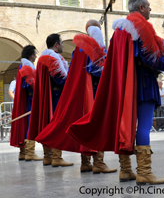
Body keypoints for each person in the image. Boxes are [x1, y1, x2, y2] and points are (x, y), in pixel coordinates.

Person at [67, 0, 164, 185]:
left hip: (127, 86)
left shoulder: (119, 30)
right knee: (143, 127)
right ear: (141, 7)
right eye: (148, 7)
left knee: (127, 127)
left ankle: (125, 170)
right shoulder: (139, 27)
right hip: (143, 84)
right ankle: (144, 172)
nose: (150, 10)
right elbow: (149, 57)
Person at [36, 20, 117, 174]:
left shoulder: (78, 49)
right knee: (95, 125)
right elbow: (97, 69)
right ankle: (98, 162)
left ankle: (86, 163)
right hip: (93, 91)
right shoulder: (94, 46)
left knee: (85, 125)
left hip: (83, 93)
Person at [28, 34, 73, 167]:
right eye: (62, 43)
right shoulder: (53, 57)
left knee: (47, 123)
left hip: (49, 95)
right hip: (56, 95)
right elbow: (60, 79)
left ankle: (48, 156)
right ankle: (57, 157)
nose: (63, 45)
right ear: (56, 44)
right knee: (56, 125)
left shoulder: (43, 57)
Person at [10, 45, 43, 161]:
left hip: (26, 100)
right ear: (31, 55)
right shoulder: (27, 65)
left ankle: (23, 152)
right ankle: (30, 152)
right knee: (30, 124)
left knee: (24, 124)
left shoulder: (22, 65)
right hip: (30, 100)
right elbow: (29, 85)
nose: (35, 57)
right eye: (35, 54)